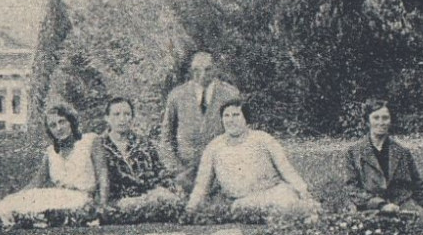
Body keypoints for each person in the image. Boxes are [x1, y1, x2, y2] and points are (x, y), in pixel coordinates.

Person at [186, 98, 316, 218]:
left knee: (288, 204)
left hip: (272, 194)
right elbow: (202, 184)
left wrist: (303, 191)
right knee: (240, 208)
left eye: (236, 115)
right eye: (226, 116)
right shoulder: (214, 147)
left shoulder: (263, 139)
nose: (230, 120)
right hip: (239, 203)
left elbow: (286, 169)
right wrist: (191, 207)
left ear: (245, 119)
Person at [0, 104, 109, 224]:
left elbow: (102, 175)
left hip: (84, 200)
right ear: (50, 130)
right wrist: (13, 197)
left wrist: (102, 205)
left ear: (71, 121)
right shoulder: (51, 152)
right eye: (53, 125)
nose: (58, 128)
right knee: (11, 204)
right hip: (58, 198)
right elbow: (36, 182)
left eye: (62, 122)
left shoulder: (90, 141)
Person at [159, 50, 241, 190]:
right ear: (190, 70)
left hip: (222, 173)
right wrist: (176, 170)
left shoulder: (230, 95)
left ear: (216, 69)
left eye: (208, 69)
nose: (202, 75)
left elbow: (240, 135)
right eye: (196, 70)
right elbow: (165, 138)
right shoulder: (177, 95)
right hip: (185, 174)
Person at [342, 99, 423, 217]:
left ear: (390, 121)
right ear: (368, 121)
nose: (381, 122)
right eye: (376, 118)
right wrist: (381, 205)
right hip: (369, 212)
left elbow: (418, 186)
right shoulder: (354, 152)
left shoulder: (402, 152)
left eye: (385, 118)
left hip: (401, 210)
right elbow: (352, 189)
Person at [101, 96, 180, 212]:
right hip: (117, 201)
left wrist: (170, 188)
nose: (122, 119)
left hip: (147, 197)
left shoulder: (144, 144)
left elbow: (160, 171)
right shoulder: (100, 146)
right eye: (116, 114)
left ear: (132, 118)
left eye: (127, 114)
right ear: (107, 118)